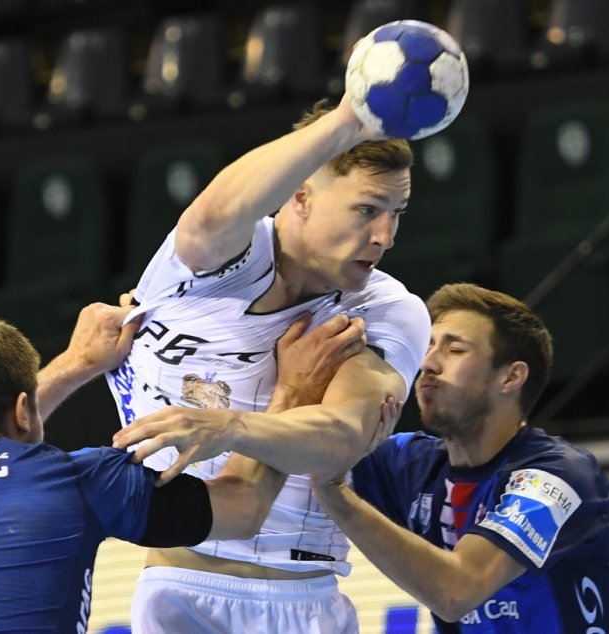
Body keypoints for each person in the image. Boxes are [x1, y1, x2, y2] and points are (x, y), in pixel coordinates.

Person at [107, 95, 431, 633]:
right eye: (367, 210)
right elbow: (211, 215)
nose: (385, 237)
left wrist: (229, 428)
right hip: (177, 588)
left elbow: (344, 436)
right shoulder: (215, 259)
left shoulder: (386, 310)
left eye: (396, 213)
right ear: (301, 196)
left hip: (300, 599)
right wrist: (347, 120)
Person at [0, 301, 361, 632]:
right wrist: (292, 389)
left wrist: (79, 362)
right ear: (24, 408)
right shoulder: (76, 482)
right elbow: (244, 507)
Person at [296, 283, 609, 632]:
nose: (428, 363)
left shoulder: (558, 477)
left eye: (455, 349)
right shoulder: (409, 464)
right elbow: (309, 444)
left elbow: (456, 592)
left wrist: (334, 492)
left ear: (511, 377)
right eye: (428, 346)